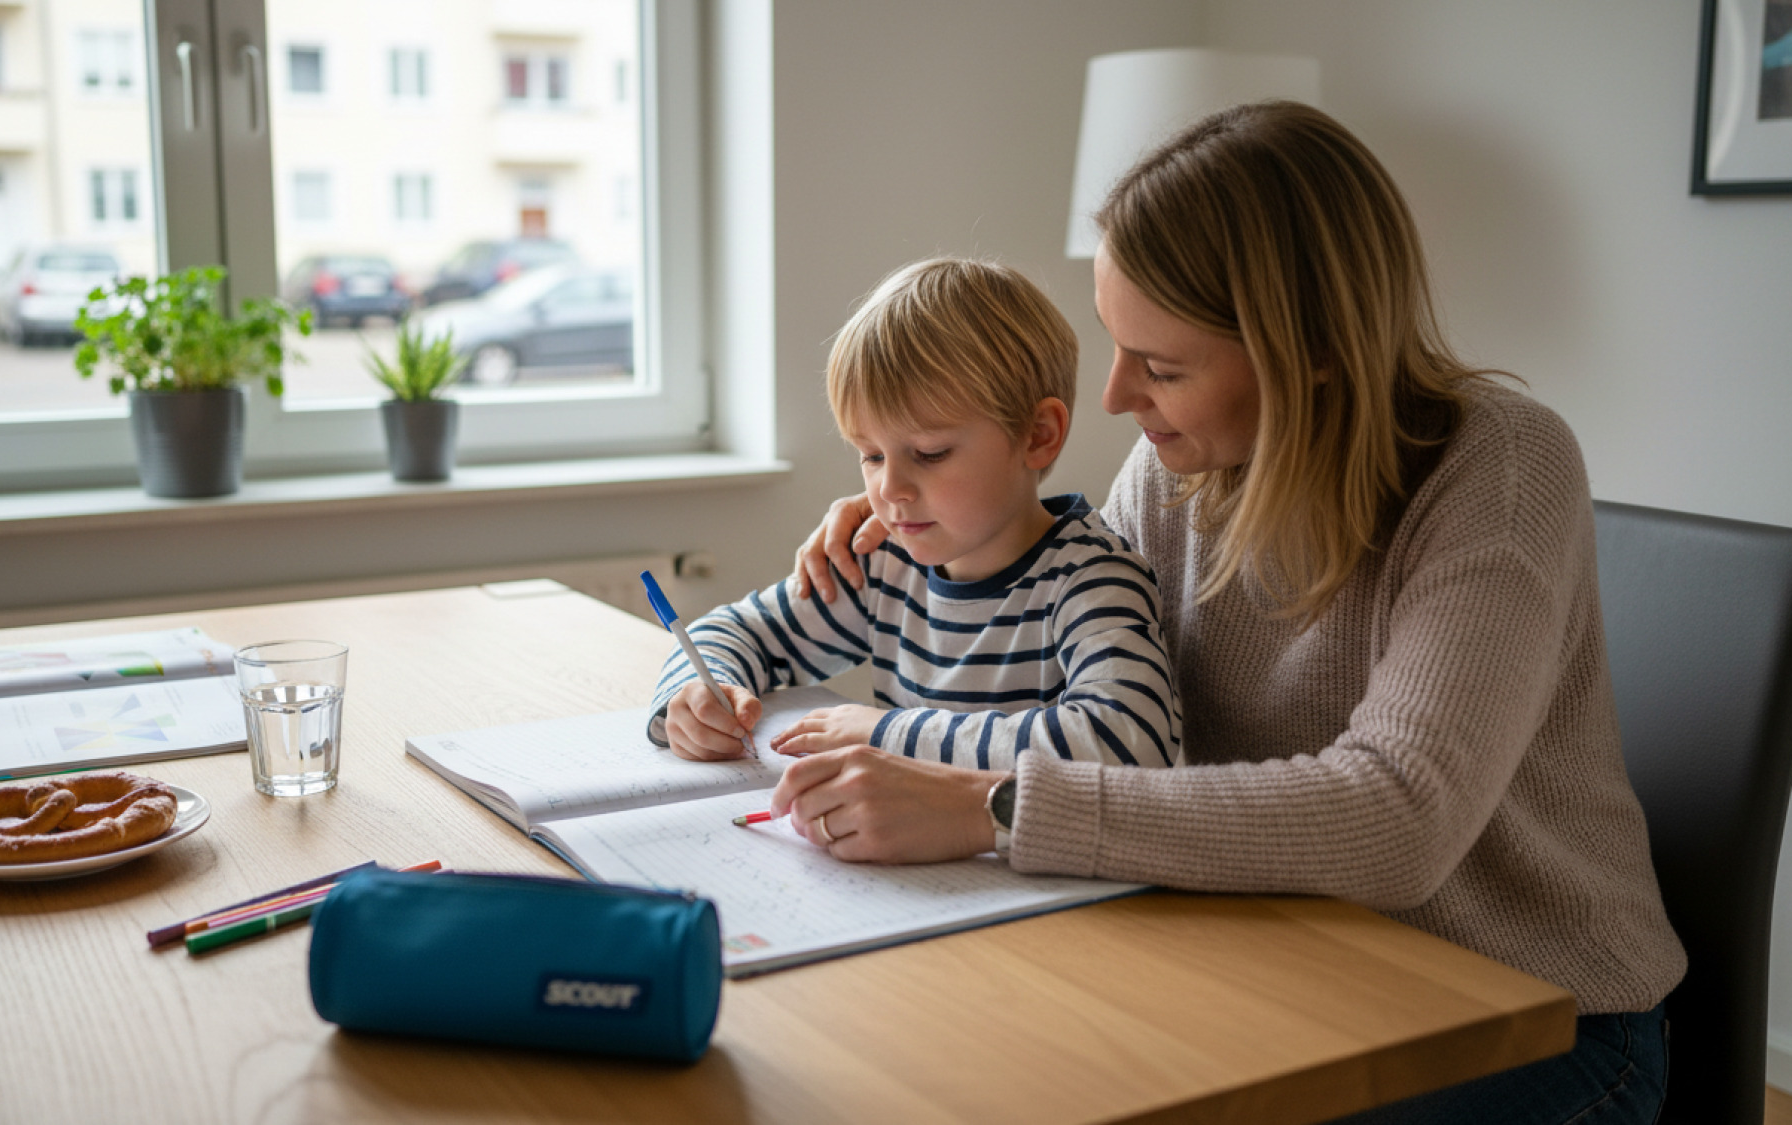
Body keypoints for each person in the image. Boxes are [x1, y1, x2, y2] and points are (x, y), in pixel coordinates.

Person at [776, 103, 1684, 1124]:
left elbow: (1397, 820)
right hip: (1276, 950)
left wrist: (989, 806)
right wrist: (922, 524)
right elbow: (1063, 655)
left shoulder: (1497, 467)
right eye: (1117, 347)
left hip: (1529, 1012)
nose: (1116, 396)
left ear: (1310, 352)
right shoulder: (1179, 469)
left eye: (1159, 367)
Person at [650, 257, 1180, 776]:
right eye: (871, 455)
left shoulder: (1091, 580)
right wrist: (696, 694)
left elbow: (1128, 739)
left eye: (929, 454)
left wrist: (885, 733)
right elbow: (736, 632)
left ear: (1037, 435)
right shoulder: (884, 563)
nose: (890, 489)